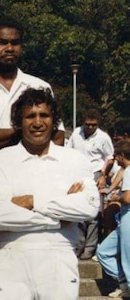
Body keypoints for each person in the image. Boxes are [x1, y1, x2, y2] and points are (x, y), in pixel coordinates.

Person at [0, 88, 98, 300]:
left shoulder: (74, 160)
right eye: (30, 116)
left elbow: (89, 206)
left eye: (44, 115)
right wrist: (59, 214)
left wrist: (32, 201)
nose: (37, 122)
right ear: (19, 122)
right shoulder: (1, 161)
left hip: (58, 257)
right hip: (10, 257)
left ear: (54, 119)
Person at [0, 18, 63, 177]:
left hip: (32, 175)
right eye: (2, 42)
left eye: (15, 43)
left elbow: (58, 138)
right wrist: (26, 132)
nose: (9, 48)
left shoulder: (39, 86)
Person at [67, 108, 113, 259]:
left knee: (93, 212)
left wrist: (103, 175)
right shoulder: (76, 133)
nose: (90, 127)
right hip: (78, 174)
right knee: (78, 209)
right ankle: (78, 245)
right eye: (88, 124)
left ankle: (90, 247)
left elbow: (110, 158)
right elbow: (69, 152)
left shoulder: (103, 137)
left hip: (95, 173)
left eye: (93, 125)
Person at [96, 140, 130, 300]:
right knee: (104, 252)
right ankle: (124, 284)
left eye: (116, 156)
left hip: (128, 217)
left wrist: (117, 197)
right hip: (123, 218)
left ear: (122, 156)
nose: (115, 160)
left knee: (128, 259)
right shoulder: (126, 171)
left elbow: (129, 198)